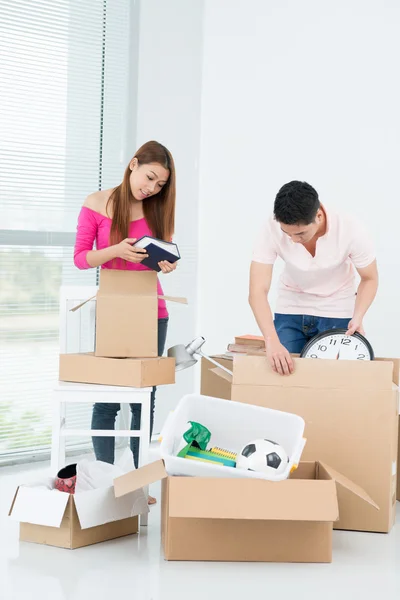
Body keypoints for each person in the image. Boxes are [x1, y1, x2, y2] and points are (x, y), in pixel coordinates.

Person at [74, 140, 177, 503]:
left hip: (152, 310)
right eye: (149, 177)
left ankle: (135, 485)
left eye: (160, 184)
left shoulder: (156, 210)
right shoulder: (95, 203)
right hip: (114, 310)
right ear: (133, 165)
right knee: (106, 400)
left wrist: (166, 261)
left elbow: (159, 257)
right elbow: (81, 258)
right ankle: (106, 483)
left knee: (141, 399)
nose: (151, 188)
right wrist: (116, 250)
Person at [249, 181, 378, 376]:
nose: (293, 240)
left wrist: (358, 316)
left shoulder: (351, 229)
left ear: (319, 216)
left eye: (300, 233)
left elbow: (369, 278)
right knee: (282, 374)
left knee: (333, 380)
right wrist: (271, 340)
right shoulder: (271, 227)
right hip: (292, 305)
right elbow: (257, 291)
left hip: (337, 306)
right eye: (287, 233)